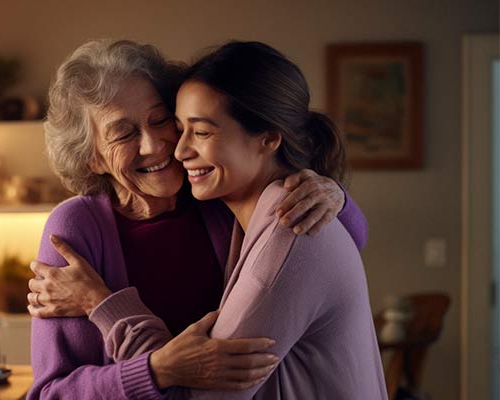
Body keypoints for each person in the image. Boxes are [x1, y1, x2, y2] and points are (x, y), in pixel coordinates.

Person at [25, 39, 369, 400]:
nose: (158, 145)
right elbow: (50, 393)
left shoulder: (216, 196)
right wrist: (154, 372)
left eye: (161, 120)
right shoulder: (75, 228)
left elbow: (335, 250)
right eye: (124, 133)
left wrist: (335, 198)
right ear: (91, 158)